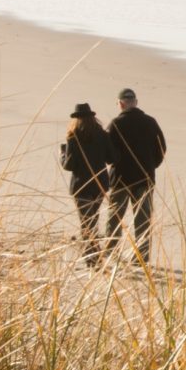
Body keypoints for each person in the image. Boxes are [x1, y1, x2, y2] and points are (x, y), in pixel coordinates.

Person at [106, 87, 166, 262]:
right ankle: (141, 256)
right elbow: (161, 148)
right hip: (145, 178)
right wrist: (151, 165)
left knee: (114, 218)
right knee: (143, 220)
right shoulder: (150, 122)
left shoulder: (116, 123)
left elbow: (109, 153)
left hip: (120, 178)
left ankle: (111, 253)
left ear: (121, 104)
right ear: (136, 103)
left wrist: (115, 162)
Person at [60, 102, 115, 267]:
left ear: (76, 119)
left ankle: (92, 257)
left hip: (81, 186)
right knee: (92, 219)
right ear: (93, 118)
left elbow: (68, 165)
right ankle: (92, 254)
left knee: (86, 222)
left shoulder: (73, 137)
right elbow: (112, 158)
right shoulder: (102, 135)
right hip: (99, 184)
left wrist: (62, 154)